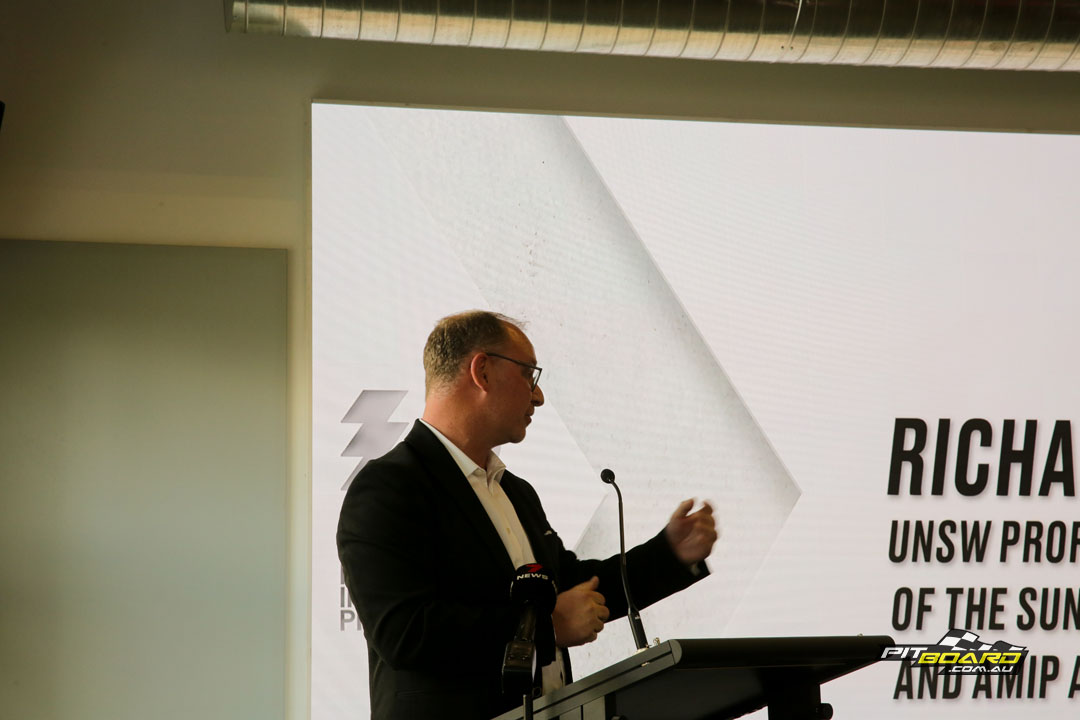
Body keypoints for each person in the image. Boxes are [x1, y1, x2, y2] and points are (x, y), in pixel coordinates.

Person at [337, 310, 717, 720]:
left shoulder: (514, 492)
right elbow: (404, 632)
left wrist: (670, 553)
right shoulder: (388, 487)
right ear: (482, 371)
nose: (538, 397)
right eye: (528, 374)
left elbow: (573, 590)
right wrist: (545, 628)